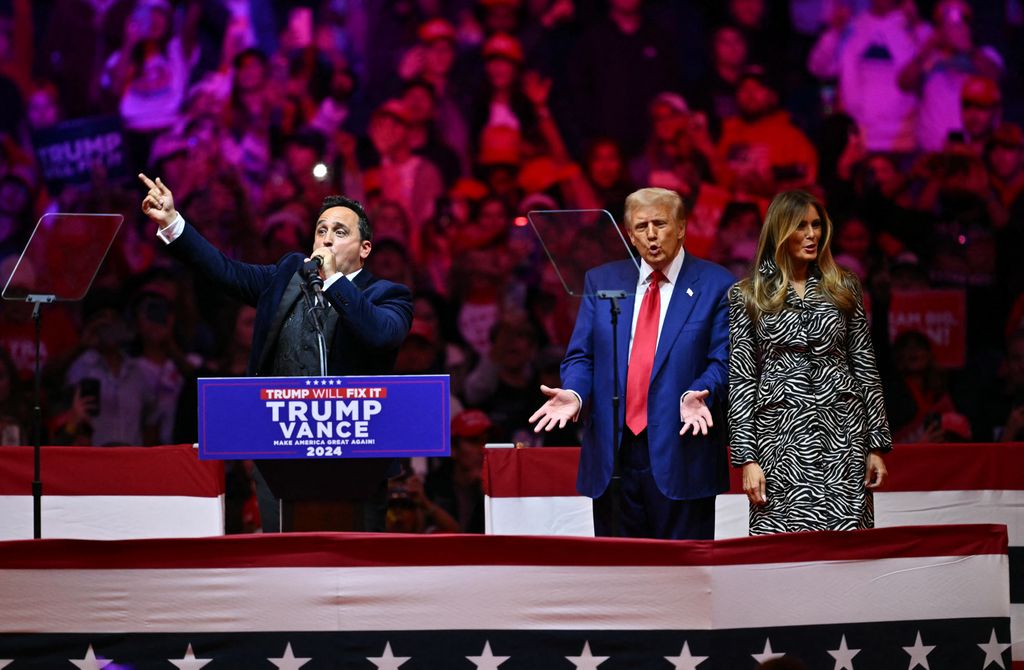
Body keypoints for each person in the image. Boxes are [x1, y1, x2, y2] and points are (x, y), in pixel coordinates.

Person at [138, 172, 413, 532]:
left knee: (355, 567)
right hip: (280, 447)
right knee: (284, 564)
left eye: (340, 232)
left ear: (365, 249)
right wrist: (174, 224)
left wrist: (332, 282)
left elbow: (380, 335)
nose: (327, 238)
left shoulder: (389, 295)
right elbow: (225, 271)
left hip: (356, 453)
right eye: (321, 230)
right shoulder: (286, 276)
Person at [529, 187, 734, 540]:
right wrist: (576, 394)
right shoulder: (603, 281)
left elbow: (724, 360)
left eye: (660, 224)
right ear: (629, 233)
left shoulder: (717, 284)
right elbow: (582, 355)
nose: (651, 235)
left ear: (682, 227)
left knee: (682, 582)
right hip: (615, 457)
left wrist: (700, 391)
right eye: (641, 227)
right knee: (620, 583)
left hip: (682, 451)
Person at [728, 190, 891, 535]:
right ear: (780, 231)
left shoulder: (844, 286)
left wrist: (876, 445)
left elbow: (864, 364)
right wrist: (747, 458)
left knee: (847, 549)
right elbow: (742, 379)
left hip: (844, 436)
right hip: (779, 439)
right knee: (782, 555)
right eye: (801, 226)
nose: (812, 234)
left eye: (816, 225)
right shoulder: (748, 294)